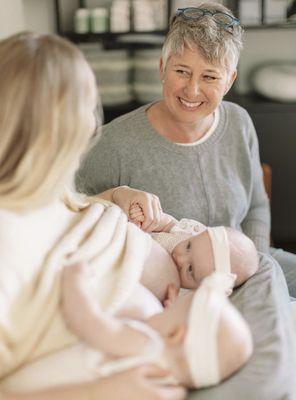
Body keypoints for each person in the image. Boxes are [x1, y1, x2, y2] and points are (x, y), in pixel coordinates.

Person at [0, 31, 186, 400]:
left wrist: (117, 195)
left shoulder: (47, 192)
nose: (90, 124)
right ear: (57, 127)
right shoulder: (7, 236)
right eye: (85, 108)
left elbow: (65, 214)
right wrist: (104, 389)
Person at [75, 1, 296, 298]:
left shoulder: (239, 123)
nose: (192, 91)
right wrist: (116, 196)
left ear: (229, 80)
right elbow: (75, 220)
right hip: (167, 292)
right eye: (182, 71)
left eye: (209, 77)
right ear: (163, 68)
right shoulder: (111, 144)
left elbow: (256, 204)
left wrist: (251, 269)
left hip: (247, 269)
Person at [129, 203, 259, 290]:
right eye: (188, 246)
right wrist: (142, 218)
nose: (180, 259)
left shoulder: (178, 291)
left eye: (190, 269)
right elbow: (162, 222)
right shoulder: (185, 234)